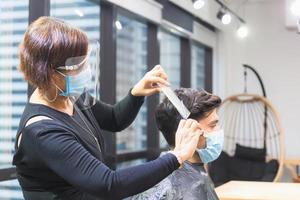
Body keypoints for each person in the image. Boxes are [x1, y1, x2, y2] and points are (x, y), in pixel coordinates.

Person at [12, 16, 202, 200]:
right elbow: (109, 184)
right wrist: (176, 156)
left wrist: (137, 93)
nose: (86, 70)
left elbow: (114, 119)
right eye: (79, 66)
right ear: (53, 76)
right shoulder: (42, 132)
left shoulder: (71, 97)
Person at [128, 88, 223, 200]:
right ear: (188, 131)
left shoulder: (188, 171)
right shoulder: (183, 189)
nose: (218, 130)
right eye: (213, 125)